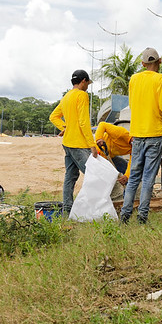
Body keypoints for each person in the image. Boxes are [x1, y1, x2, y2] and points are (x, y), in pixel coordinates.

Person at [119, 47, 162, 224]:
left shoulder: (134, 79)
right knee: (148, 177)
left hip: (137, 134)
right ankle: (142, 217)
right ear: (160, 61)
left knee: (134, 177)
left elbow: (132, 104)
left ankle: (124, 216)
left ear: (142, 63)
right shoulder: (161, 78)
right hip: (155, 134)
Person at [49, 69, 99, 216]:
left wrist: (65, 127)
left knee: (70, 177)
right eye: (87, 83)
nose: (87, 86)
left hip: (67, 143)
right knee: (92, 174)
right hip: (78, 144)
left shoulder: (66, 97)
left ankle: (67, 210)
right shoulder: (82, 95)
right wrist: (92, 145)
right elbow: (84, 122)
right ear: (83, 81)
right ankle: (93, 208)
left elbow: (53, 116)